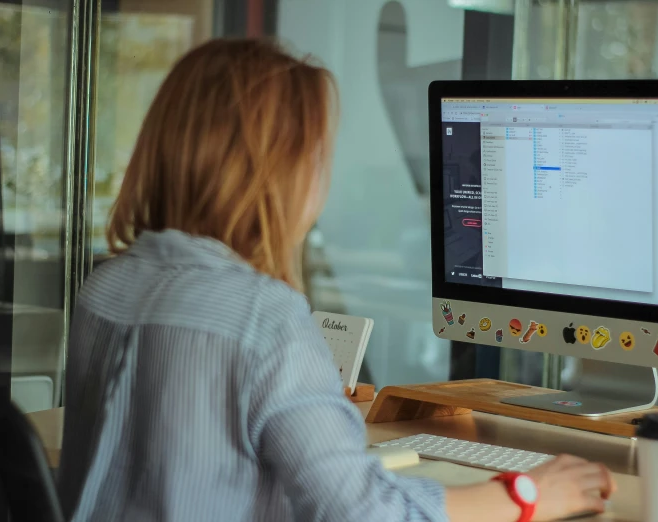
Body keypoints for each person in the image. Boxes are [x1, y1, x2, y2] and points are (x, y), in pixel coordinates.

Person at [57, 38, 615, 522]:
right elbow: (363, 512)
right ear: (279, 174)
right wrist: (527, 492)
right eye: (319, 159)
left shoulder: (105, 287)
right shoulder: (261, 316)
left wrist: (311, 412)